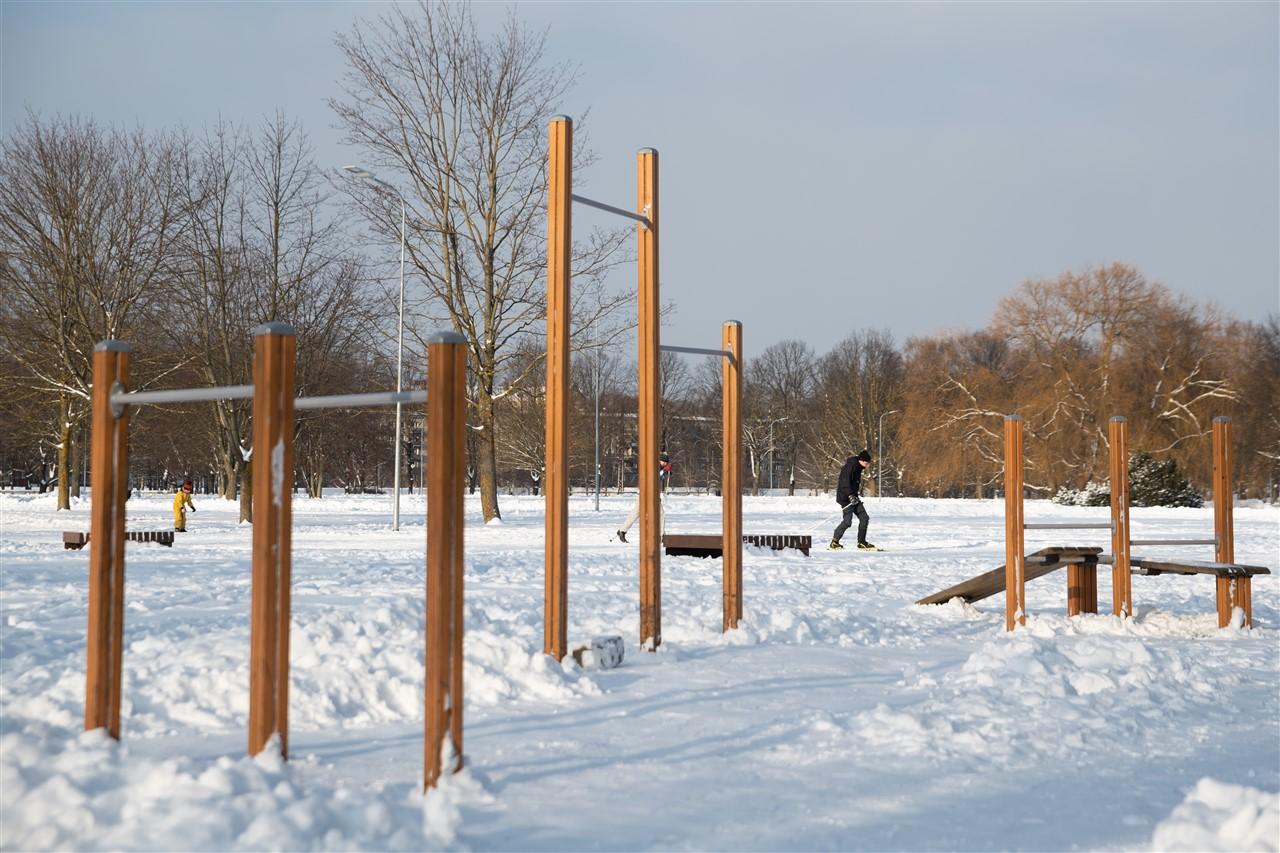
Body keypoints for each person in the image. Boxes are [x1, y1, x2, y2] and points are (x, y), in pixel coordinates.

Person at [616, 452, 672, 543]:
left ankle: (661, 535)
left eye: (666, 462)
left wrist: (666, 471)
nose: (665, 463)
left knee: (660, 513)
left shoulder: (661, 468)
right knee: (638, 513)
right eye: (663, 461)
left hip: (652, 494)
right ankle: (622, 531)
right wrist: (664, 470)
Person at [830, 449, 875, 550]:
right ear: (862, 461)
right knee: (847, 522)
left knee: (864, 518)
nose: (868, 465)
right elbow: (844, 483)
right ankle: (834, 542)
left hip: (854, 498)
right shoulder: (850, 467)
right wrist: (850, 495)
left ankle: (861, 542)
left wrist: (854, 496)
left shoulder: (858, 468)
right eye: (867, 463)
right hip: (845, 498)